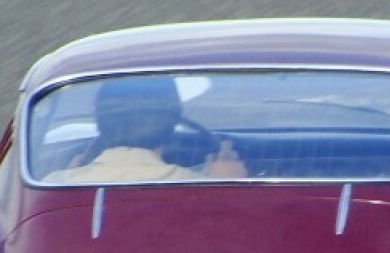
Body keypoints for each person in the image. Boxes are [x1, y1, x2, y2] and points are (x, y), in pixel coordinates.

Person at [44, 75, 244, 183]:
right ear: (173, 120)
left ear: (100, 121)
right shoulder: (203, 191)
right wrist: (228, 183)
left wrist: (70, 178)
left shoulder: (55, 184)